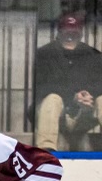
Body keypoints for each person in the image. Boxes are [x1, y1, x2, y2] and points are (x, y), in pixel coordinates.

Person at [34, 14, 102, 151]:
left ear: (81, 33)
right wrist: (73, 96)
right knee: (52, 99)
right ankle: (46, 149)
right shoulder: (44, 54)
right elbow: (42, 87)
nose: (70, 35)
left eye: (74, 32)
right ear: (59, 32)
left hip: (85, 109)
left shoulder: (93, 55)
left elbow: (100, 83)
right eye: (67, 31)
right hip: (55, 111)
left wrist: (89, 96)